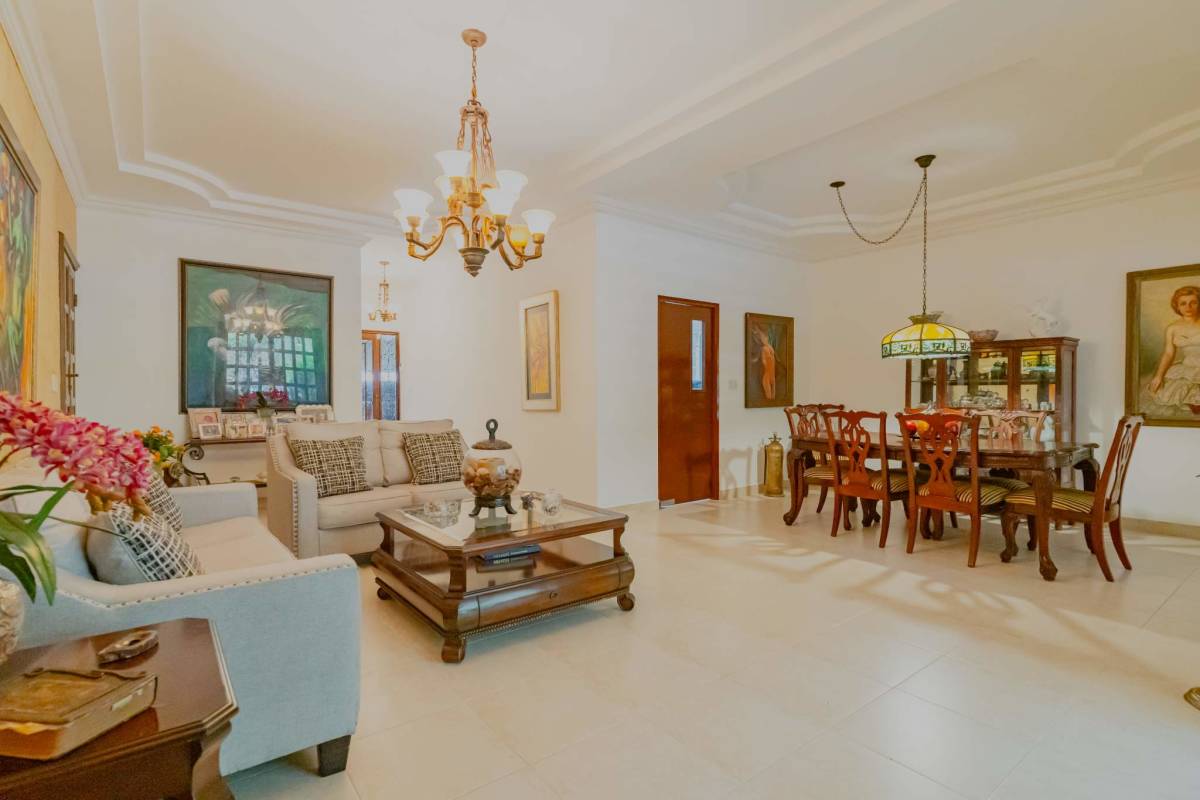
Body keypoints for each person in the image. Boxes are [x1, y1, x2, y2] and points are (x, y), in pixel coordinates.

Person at [1147, 285, 1200, 411]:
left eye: (1193, 302)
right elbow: (1168, 354)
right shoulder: (1172, 328)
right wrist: (1159, 376)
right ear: (1177, 306)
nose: (1188, 307)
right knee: (1170, 392)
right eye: (1183, 303)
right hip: (1187, 368)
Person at [751, 325, 776, 400]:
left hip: (772, 376)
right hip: (767, 376)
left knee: (773, 398)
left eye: (764, 337)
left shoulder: (770, 347)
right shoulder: (763, 349)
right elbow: (763, 361)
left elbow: (771, 360)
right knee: (769, 397)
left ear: (767, 337)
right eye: (761, 338)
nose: (762, 340)